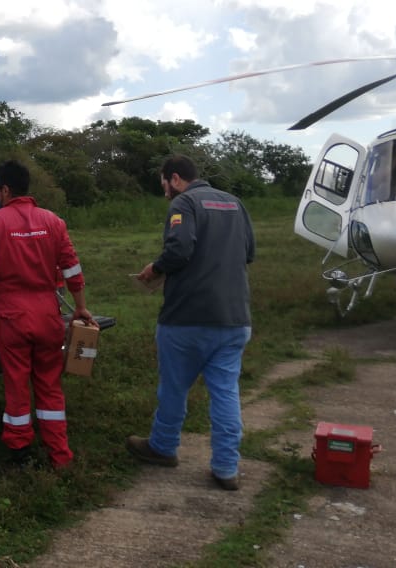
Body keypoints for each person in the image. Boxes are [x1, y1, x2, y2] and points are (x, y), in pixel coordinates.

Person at [0, 160, 95, 470]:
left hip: (12, 317)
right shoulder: (53, 221)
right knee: (49, 385)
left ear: (4, 190)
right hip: (48, 315)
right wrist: (80, 307)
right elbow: (72, 268)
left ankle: (20, 454)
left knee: (16, 386)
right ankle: (59, 455)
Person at [127, 154, 255, 491]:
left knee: (173, 387)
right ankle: (226, 468)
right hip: (235, 319)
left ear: (174, 178)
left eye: (164, 184)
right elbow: (249, 253)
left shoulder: (183, 203)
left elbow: (179, 249)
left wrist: (155, 269)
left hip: (186, 319)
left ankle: (163, 447)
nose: (165, 192)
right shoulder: (235, 203)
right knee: (226, 392)